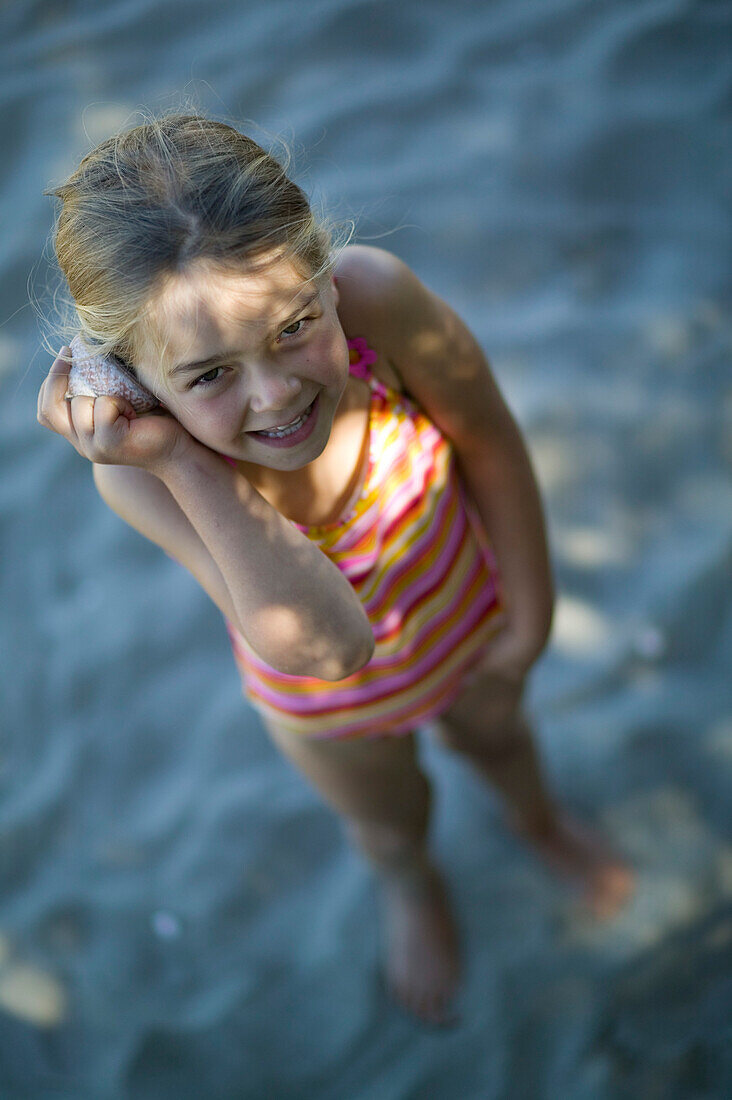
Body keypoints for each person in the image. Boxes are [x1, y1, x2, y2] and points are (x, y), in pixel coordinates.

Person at [37, 112, 633, 1026]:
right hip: (331, 709)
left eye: (294, 327)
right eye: (208, 377)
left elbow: (493, 445)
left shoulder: (382, 303)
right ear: (140, 386)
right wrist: (183, 461)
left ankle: (539, 825)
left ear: (324, 273)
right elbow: (325, 649)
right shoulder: (151, 480)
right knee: (389, 829)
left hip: (470, 620)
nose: (275, 394)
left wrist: (527, 632)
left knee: (505, 746)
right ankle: (415, 891)